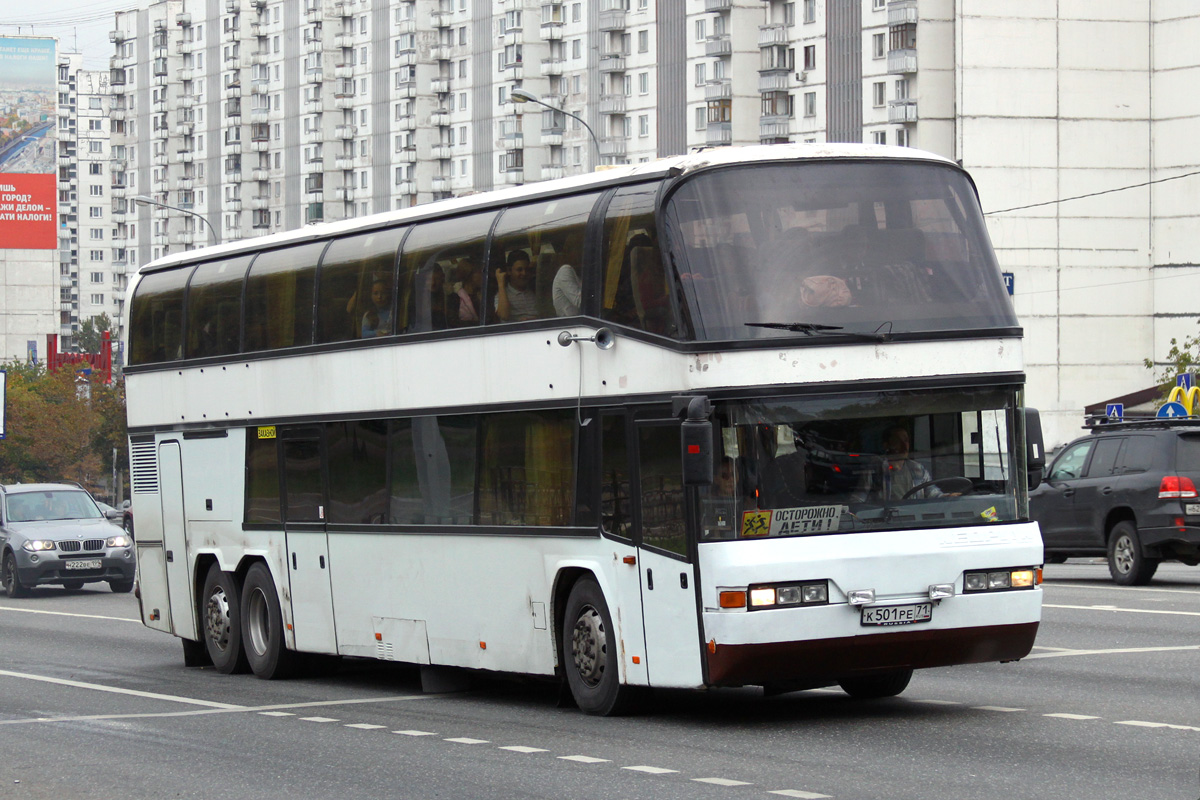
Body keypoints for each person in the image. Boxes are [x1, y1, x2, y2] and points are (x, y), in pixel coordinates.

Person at [494, 250, 538, 321]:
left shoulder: (535, 291)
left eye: (527, 269)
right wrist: (501, 284)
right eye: (519, 270)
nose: (524, 273)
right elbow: (503, 316)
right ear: (509, 271)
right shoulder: (502, 295)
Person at [552, 232, 584, 316]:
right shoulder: (565, 270)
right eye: (580, 249)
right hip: (571, 325)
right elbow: (581, 302)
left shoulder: (577, 272)